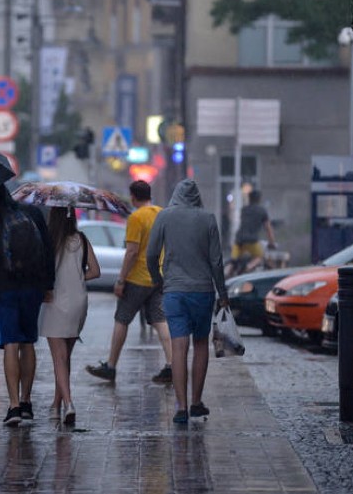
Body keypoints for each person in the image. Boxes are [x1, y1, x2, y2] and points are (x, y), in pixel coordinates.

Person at [146, 179, 229, 424]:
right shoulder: (208, 219)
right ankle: (196, 402)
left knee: (178, 347)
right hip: (203, 292)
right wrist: (223, 293)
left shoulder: (164, 217)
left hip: (174, 291)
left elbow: (151, 253)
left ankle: (180, 408)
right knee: (201, 344)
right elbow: (216, 261)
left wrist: (157, 279)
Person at [0, 185, 55, 426]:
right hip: (33, 286)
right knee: (28, 342)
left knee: (10, 343)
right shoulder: (32, 212)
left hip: (4, 288)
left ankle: (13, 407)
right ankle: (27, 402)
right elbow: (48, 249)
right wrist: (48, 284)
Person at [86, 180, 173, 384]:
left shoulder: (136, 217)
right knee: (160, 321)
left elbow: (132, 251)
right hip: (157, 277)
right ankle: (171, 365)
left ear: (133, 196)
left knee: (122, 319)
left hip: (137, 278)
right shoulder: (163, 214)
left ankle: (111, 366)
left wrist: (121, 280)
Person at [40, 206, 101, 425]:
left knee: (59, 358)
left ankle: (68, 404)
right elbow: (95, 270)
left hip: (55, 301)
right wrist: (77, 276)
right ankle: (56, 406)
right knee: (65, 358)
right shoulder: (81, 239)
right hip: (78, 301)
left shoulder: (48, 240)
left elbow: (40, 272)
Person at [225, 189, 276, 277]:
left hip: (238, 240)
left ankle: (226, 275)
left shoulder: (244, 210)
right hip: (252, 241)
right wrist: (272, 242)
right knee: (260, 257)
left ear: (249, 199)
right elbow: (268, 228)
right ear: (259, 199)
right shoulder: (262, 211)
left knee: (233, 261)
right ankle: (248, 267)